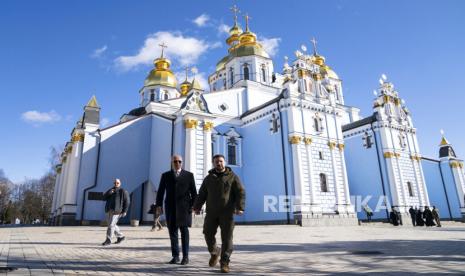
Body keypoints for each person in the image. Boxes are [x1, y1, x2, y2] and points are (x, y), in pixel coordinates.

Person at [193, 154, 246, 274]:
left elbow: (240, 192)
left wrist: (240, 207)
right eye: (216, 161)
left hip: (227, 213)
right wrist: (197, 207)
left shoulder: (232, 177)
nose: (219, 163)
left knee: (227, 238)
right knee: (207, 233)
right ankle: (214, 252)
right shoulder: (208, 178)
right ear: (213, 163)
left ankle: (225, 263)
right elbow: (202, 194)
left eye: (221, 161)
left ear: (225, 162)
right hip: (211, 212)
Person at [156, 155, 197, 265]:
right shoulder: (166, 175)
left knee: (184, 232)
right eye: (175, 161)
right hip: (170, 207)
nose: (177, 163)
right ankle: (175, 256)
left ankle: (186, 256)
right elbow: (160, 192)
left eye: (179, 161)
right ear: (172, 162)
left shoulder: (189, 175)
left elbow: (194, 192)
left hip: (185, 208)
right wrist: (159, 206)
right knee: (173, 233)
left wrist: (194, 206)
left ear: (182, 162)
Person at [102, 178, 130, 246]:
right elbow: (103, 198)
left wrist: (125, 211)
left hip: (117, 211)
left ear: (120, 184)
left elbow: (127, 201)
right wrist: (109, 192)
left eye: (117, 183)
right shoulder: (111, 190)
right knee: (111, 225)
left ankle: (108, 240)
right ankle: (120, 237)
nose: (116, 184)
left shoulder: (122, 191)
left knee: (111, 225)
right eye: (115, 183)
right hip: (109, 210)